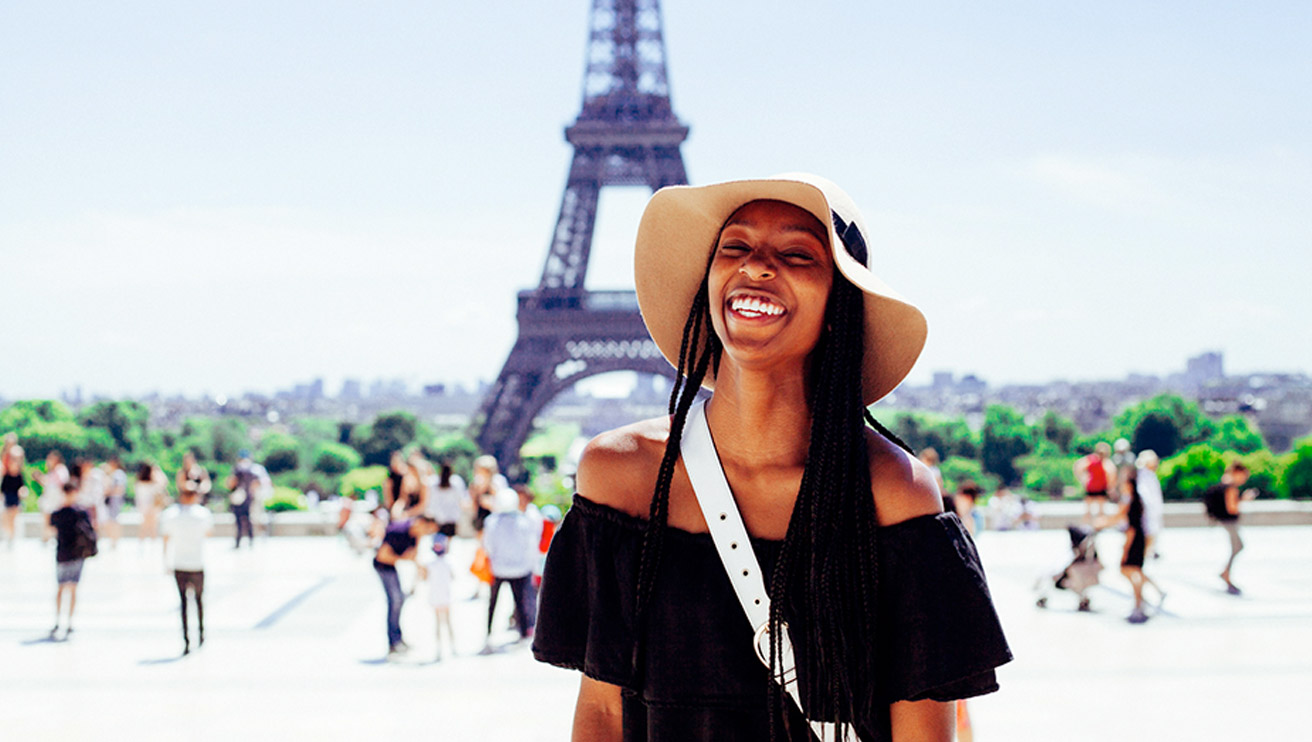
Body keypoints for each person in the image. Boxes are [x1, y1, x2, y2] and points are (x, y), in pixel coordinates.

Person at [532, 174, 1011, 741]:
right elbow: (603, 713)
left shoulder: (893, 493)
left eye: (796, 254)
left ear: (840, 304)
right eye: (734, 247)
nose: (756, 266)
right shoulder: (620, 476)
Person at [482, 489, 541, 652]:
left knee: (492, 602)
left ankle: (488, 632)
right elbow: (530, 546)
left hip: (498, 568)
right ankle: (523, 634)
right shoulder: (524, 521)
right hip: (520, 569)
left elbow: (487, 545)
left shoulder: (491, 521)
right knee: (520, 601)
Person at [1099, 471, 1162, 623]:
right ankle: (1146, 597)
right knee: (1135, 570)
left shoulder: (1130, 500)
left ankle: (1139, 602)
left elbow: (1127, 523)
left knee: (1130, 570)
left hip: (1134, 539)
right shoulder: (1137, 499)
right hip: (1139, 538)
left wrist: (1126, 548)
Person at [373, 514, 440, 657]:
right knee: (395, 601)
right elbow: (382, 556)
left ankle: (397, 638)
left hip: (392, 566)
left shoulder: (416, 535)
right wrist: (402, 559)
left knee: (399, 600)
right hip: (383, 567)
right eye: (427, 529)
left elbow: (414, 556)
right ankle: (393, 642)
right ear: (421, 523)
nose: (427, 534)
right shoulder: (398, 531)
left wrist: (420, 572)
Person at [160, 481, 214, 654]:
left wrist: (165, 561)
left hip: (179, 563)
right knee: (199, 601)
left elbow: (166, 539)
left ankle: (186, 639)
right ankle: (201, 633)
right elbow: (209, 533)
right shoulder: (203, 514)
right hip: (197, 563)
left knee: (183, 603)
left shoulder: (171, 515)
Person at [50, 481, 95, 640]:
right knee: (70, 588)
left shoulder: (59, 512)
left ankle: (61, 620)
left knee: (63, 588)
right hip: (75, 554)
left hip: (64, 553)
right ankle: (67, 621)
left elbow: (50, 529)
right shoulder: (81, 512)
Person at [1204, 461, 1257, 595]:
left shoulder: (1224, 482)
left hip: (1223, 521)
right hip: (1229, 521)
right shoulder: (1231, 487)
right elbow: (1232, 508)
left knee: (1237, 547)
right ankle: (1226, 573)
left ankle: (1226, 573)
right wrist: (1244, 499)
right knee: (1238, 546)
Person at [425, 534, 456, 661]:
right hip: (445, 596)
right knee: (448, 623)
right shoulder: (448, 562)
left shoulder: (430, 564)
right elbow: (454, 577)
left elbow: (425, 577)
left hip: (436, 596)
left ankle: (440, 648)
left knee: (438, 624)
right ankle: (452, 647)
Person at [1074, 442, 1116, 523]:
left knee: (1098, 510)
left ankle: (1096, 525)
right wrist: (1083, 478)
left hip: (1098, 486)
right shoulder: (1095, 460)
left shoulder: (1099, 461)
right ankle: (1089, 525)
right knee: (1091, 510)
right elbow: (1112, 474)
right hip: (1094, 486)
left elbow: (1112, 474)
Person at [1135, 450, 1165, 559]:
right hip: (1149, 512)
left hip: (1153, 511)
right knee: (1149, 533)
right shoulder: (1144, 475)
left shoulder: (1150, 475)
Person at [225, 451, 258, 549]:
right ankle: (251, 539)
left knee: (239, 521)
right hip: (248, 498)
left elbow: (231, 482)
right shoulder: (251, 470)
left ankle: (239, 541)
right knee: (248, 519)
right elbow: (255, 484)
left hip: (239, 499)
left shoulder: (237, 470)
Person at [467, 455, 507, 534]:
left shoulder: (498, 481)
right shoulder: (476, 482)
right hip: (481, 518)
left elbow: (502, 500)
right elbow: (473, 502)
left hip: (496, 518)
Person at [134, 462, 170, 546]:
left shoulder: (138, 484)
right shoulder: (153, 484)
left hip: (143, 507)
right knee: (152, 527)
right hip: (152, 507)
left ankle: (141, 545)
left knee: (144, 526)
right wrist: (158, 470)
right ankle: (153, 545)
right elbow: (164, 482)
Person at [427, 462, 466, 538]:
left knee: (437, 544)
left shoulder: (433, 483)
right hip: (451, 519)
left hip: (437, 518)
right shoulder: (457, 482)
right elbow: (461, 499)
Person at [39, 451, 70, 543]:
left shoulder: (60, 470)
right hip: (50, 499)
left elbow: (61, 483)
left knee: (53, 520)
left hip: (55, 500)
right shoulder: (52, 471)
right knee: (47, 520)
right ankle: (46, 538)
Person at [2, 445, 29, 548]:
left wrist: (22, 492)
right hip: (8, 498)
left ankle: (12, 538)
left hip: (15, 499)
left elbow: (23, 487)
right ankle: (10, 537)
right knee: (7, 519)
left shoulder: (19, 474)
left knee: (13, 519)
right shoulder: (6, 474)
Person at [102, 457, 128, 550]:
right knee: (112, 521)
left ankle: (115, 541)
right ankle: (113, 540)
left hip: (115, 500)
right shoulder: (116, 474)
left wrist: (109, 492)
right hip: (114, 500)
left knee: (114, 521)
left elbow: (119, 488)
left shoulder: (118, 474)